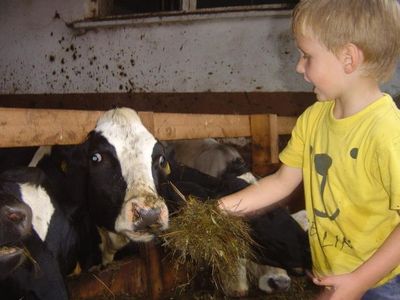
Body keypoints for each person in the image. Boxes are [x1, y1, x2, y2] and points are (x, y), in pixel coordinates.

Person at [218, 0, 400, 299]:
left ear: (348, 58)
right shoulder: (313, 119)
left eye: (307, 55)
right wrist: (218, 211)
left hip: (381, 282)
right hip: (331, 274)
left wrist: (358, 281)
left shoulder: (387, 133)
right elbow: (280, 182)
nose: (298, 66)